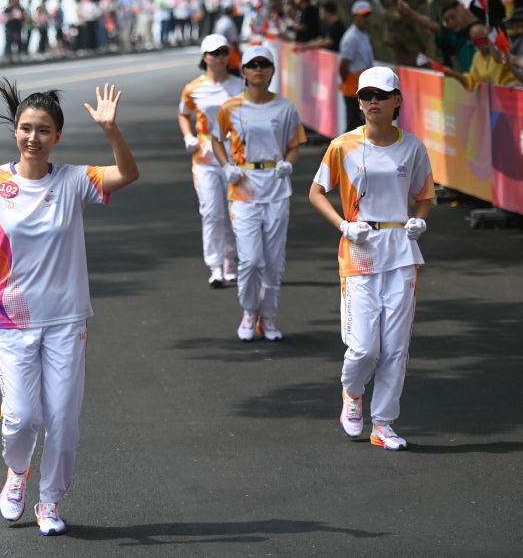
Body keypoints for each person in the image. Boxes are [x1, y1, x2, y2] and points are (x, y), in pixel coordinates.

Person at [0, 81, 138, 536]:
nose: (32, 137)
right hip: (11, 320)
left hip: (66, 320)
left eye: (43, 130)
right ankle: (18, 473)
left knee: (62, 421)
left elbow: (127, 174)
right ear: (15, 132)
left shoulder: (75, 181)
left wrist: (112, 130)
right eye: (25, 128)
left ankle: (50, 502)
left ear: (57, 136)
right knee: (20, 419)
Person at [308, 66, 434, 451]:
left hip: (401, 253)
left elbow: (425, 196)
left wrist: (419, 222)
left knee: (396, 346)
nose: (373, 101)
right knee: (364, 347)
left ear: (397, 99)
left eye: (381, 94)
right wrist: (343, 227)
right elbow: (316, 192)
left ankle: (383, 424)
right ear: (358, 102)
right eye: (366, 96)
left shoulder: (412, 147)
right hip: (360, 252)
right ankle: (352, 393)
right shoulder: (343, 145)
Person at [212, 46, 306, 341]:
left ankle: (269, 317)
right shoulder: (231, 108)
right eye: (252, 65)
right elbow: (217, 139)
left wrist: (287, 165)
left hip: (276, 189)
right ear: (243, 72)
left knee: (273, 259)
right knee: (251, 259)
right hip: (244, 189)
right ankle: (249, 311)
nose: (258, 69)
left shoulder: (285, 108)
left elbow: (294, 145)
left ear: (272, 71)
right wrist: (227, 166)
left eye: (264, 64)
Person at [178, 34, 242, 288]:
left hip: (234, 154)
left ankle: (231, 260)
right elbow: (183, 114)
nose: (221, 58)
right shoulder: (194, 88)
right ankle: (215, 265)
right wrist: (187, 136)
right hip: (204, 155)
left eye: (224, 52)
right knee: (212, 212)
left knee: (233, 211)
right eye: (215, 53)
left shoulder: (240, 85)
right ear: (205, 57)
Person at [441, 23, 519, 90]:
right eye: (476, 41)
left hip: (510, 96)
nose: (482, 43)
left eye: (484, 39)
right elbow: (472, 82)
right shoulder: (477, 56)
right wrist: (453, 74)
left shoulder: (503, 51)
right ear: (471, 42)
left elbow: (519, 73)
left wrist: (516, 84)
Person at [339, 1, 374, 132]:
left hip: (362, 88)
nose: (366, 19)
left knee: (360, 125)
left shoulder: (363, 35)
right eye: (363, 16)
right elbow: (343, 64)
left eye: (368, 15)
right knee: (353, 125)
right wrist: (347, 82)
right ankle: (341, 152)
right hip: (353, 89)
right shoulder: (351, 37)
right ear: (355, 17)